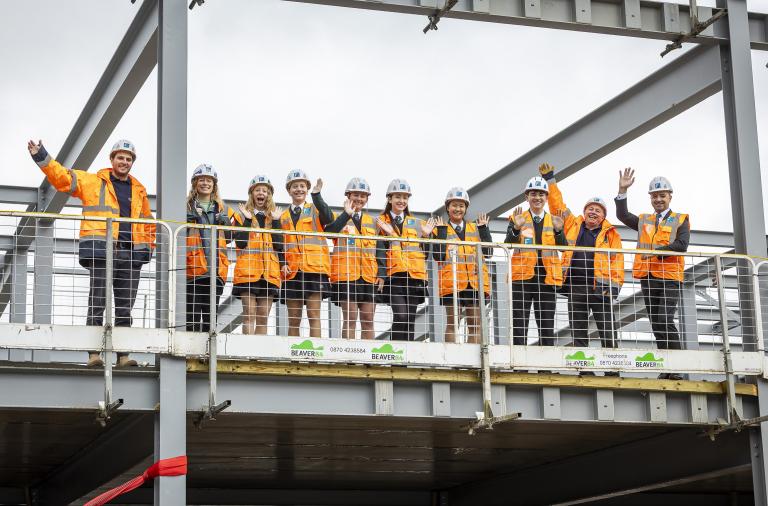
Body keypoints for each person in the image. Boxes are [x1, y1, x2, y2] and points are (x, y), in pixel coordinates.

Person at [28, 139, 155, 367]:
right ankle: (94, 355)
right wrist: (41, 156)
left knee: (125, 308)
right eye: (120, 157)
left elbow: (148, 223)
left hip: (130, 256)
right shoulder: (93, 181)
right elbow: (62, 178)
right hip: (102, 252)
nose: (124, 162)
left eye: (128, 159)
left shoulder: (139, 190)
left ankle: (123, 356)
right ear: (112, 159)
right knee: (98, 302)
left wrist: (147, 249)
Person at [539, 163, 623, 369]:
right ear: (584, 212)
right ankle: (584, 370)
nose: (593, 212)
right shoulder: (572, 224)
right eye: (590, 209)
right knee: (578, 332)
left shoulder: (611, 234)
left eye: (598, 210)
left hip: (600, 289)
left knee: (608, 331)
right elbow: (557, 205)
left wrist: (613, 288)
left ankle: (612, 371)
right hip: (575, 287)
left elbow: (618, 262)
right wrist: (550, 179)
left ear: (603, 216)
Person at [615, 168, 689, 380]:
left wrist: (656, 252)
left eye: (662, 195)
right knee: (656, 323)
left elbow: (682, 245)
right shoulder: (644, 220)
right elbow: (622, 215)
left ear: (670, 197)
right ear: (650, 199)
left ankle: (676, 368)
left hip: (669, 278)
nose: (658, 199)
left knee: (665, 319)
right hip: (648, 277)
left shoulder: (680, 219)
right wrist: (622, 190)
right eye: (654, 196)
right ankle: (667, 368)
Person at [505, 175, 567, 346]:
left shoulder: (554, 220)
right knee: (519, 324)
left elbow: (563, 248)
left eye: (541, 194)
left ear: (546, 198)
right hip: (522, 278)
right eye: (533, 194)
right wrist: (516, 228)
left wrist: (559, 231)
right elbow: (508, 244)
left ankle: (546, 361)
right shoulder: (518, 218)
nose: (537, 198)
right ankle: (519, 361)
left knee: (546, 325)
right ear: (527, 197)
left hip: (547, 278)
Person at [324, 178, 385, 339]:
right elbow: (329, 233)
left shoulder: (373, 222)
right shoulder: (339, 217)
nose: (359, 199)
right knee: (350, 318)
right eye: (356, 195)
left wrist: (382, 274)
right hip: (347, 276)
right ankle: (348, 353)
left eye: (363, 196)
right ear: (348, 196)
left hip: (369, 276)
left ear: (367, 198)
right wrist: (346, 214)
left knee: (368, 320)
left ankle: (369, 355)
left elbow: (380, 250)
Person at [377, 179, 436, 341]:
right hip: (394, 276)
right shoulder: (380, 222)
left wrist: (426, 237)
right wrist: (381, 274)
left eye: (405, 197)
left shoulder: (417, 224)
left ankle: (408, 353)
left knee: (410, 320)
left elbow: (424, 254)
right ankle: (396, 351)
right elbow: (379, 251)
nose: (401, 201)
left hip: (414, 276)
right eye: (398, 196)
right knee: (401, 316)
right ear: (390, 198)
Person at [432, 188, 492, 344]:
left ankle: (472, 357)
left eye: (461, 206)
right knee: (453, 323)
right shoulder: (440, 228)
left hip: (474, 282)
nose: (458, 209)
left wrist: (484, 230)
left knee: (475, 323)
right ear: (447, 207)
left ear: (466, 208)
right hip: (452, 282)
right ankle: (452, 357)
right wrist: (441, 232)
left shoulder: (476, 228)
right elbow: (438, 256)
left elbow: (489, 253)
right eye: (454, 205)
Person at [278, 170, 334, 337]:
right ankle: (292, 352)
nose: (299, 189)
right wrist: (282, 263)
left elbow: (329, 218)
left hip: (314, 270)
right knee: (294, 319)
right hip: (292, 271)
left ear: (307, 189)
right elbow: (278, 244)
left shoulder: (315, 209)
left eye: (302, 186)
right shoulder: (282, 216)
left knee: (314, 316)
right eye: (295, 186)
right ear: (289, 190)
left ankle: (315, 351)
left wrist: (317, 195)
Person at [185, 164, 237, 332]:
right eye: (201, 180)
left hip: (216, 270)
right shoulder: (185, 207)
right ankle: (191, 348)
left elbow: (233, 236)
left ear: (214, 185)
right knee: (191, 318)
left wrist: (225, 223)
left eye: (209, 180)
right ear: (195, 183)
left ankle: (208, 349)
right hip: (193, 269)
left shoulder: (224, 209)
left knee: (210, 320)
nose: (205, 183)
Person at [231, 175, 283, 335]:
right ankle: (248, 347)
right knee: (249, 314)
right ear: (251, 193)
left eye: (265, 191)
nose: (261, 193)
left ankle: (260, 349)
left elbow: (279, 245)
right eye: (258, 190)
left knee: (263, 317)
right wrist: (247, 220)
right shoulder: (241, 215)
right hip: (248, 272)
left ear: (269, 195)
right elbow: (240, 243)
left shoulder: (273, 217)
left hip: (269, 274)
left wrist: (276, 221)